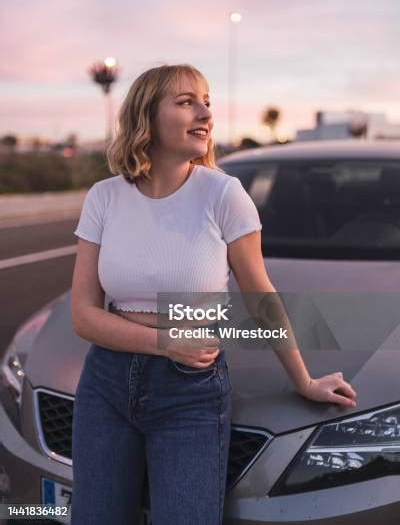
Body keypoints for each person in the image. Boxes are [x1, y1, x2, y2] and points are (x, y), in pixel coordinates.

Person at [70, 63, 357, 525]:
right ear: (147, 116)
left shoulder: (223, 194)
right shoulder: (104, 197)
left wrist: (304, 380)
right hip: (104, 381)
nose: (205, 112)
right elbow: (83, 315)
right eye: (187, 101)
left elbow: (260, 294)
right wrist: (164, 341)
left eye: (207, 101)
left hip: (190, 390)